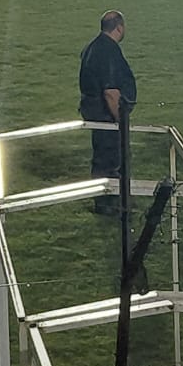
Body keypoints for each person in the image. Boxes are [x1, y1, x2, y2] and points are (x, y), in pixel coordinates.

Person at [78, 11, 137, 215]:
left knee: (101, 158)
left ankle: (103, 202)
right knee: (112, 161)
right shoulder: (109, 51)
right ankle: (112, 205)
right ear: (119, 27)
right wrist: (120, 120)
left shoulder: (91, 47)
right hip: (107, 117)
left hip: (94, 114)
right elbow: (111, 92)